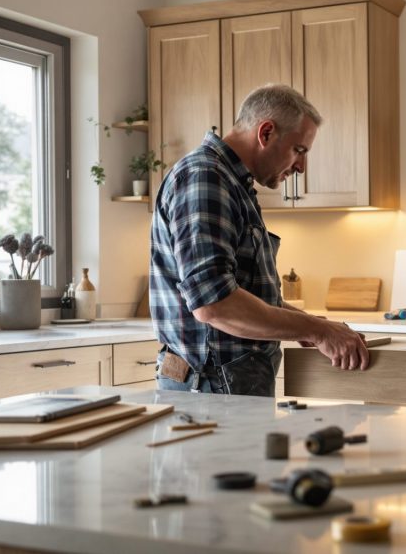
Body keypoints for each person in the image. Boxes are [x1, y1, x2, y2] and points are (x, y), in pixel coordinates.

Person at [150, 84, 369, 396]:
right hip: (210, 387)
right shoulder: (205, 177)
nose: (301, 167)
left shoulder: (230, 182)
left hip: (223, 384)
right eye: (299, 150)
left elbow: (243, 295)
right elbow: (214, 305)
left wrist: (312, 324)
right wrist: (316, 330)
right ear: (266, 133)